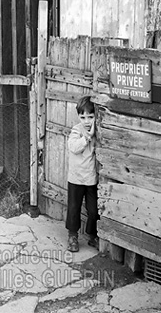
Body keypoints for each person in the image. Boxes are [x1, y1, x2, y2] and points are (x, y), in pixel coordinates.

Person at [65, 95, 99, 252]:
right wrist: (87, 138)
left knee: (93, 210)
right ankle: (73, 236)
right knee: (74, 208)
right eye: (83, 117)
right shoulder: (76, 130)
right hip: (76, 178)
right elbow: (74, 147)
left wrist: (94, 134)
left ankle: (92, 235)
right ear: (78, 116)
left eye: (90, 117)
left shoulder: (97, 130)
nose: (86, 121)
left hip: (91, 178)